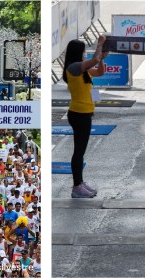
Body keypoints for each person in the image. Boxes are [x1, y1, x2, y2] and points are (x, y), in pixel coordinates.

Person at [62, 36, 108, 198]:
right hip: (78, 113)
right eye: (82, 51)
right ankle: (76, 186)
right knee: (78, 151)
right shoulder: (73, 68)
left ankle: (80, 182)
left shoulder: (83, 71)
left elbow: (100, 71)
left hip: (85, 113)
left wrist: (101, 59)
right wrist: (100, 45)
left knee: (81, 151)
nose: (84, 54)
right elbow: (94, 60)